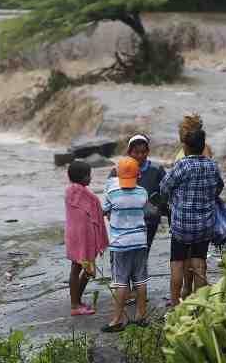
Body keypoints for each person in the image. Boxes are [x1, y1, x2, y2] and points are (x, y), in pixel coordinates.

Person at [160, 128, 224, 306]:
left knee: (177, 263)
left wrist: (175, 198)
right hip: (205, 225)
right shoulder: (212, 165)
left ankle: (175, 304)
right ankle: (199, 305)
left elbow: (164, 187)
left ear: (186, 147)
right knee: (199, 264)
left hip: (182, 225)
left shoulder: (182, 165)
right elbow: (219, 187)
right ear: (203, 146)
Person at [101, 157, 149, 332]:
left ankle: (117, 320)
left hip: (120, 244)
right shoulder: (143, 192)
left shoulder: (112, 192)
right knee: (141, 280)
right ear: (138, 174)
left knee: (121, 282)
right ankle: (141, 315)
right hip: (140, 242)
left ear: (117, 174)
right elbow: (144, 209)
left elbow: (104, 210)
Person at [64, 161, 108, 316]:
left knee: (77, 269)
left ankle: (76, 301)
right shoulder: (87, 195)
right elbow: (97, 212)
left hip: (73, 236)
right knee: (86, 270)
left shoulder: (69, 191)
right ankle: (75, 305)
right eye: (88, 175)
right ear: (82, 177)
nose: (90, 178)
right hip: (83, 239)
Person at [109, 134, 167, 250]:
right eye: (136, 152)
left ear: (148, 152)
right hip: (124, 220)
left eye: (143, 152)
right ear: (129, 152)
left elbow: (166, 192)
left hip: (149, 220)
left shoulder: (156, 170)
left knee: (144, 250)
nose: (140, 155)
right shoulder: (117, 170)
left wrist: (158, 207)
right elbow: (109, 193)